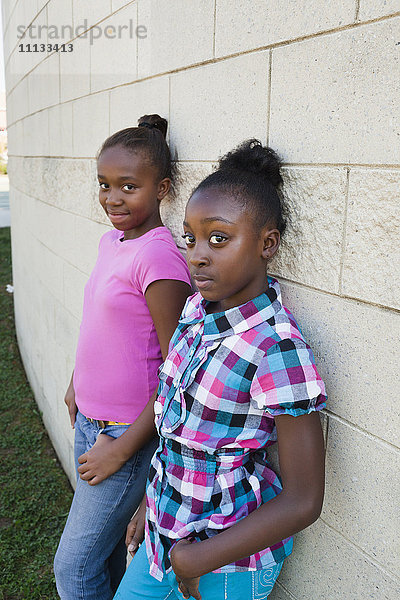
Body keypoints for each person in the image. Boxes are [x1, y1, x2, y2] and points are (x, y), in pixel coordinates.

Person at [114, 139, 327, 600]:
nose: (197, 255)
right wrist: (151, 510)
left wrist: (198, 558)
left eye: (219, 238)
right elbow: (176, 429)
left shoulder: (277, 349)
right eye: (190, 238)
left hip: (229, 561)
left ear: (267, 244)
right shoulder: (193, 312)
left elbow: (304, 499)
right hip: (163, 539)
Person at [53, 114, 192, 600]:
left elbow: (180, 370)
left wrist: (124, 447)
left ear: (163, 189)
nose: (113, 198)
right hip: (91, 423)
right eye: (104, 185)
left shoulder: (159, 259)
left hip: (124, 436)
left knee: (72, 567)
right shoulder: (111, 241)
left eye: (128, 186)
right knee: (103, 553)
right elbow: (101, 320)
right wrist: (76, 381)